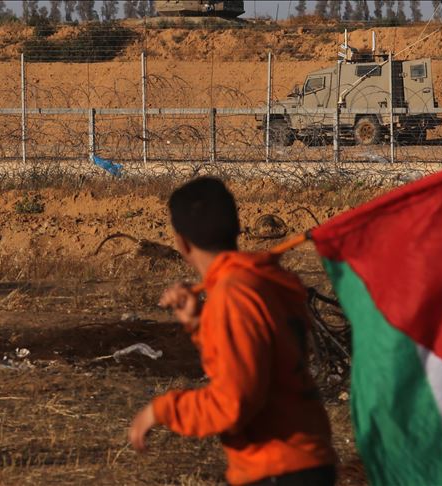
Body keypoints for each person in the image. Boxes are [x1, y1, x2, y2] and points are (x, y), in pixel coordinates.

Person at [129, 177, 337, 486]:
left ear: (182, 243)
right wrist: (199, 322)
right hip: (303, 460)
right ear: (237, 227)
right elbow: (247, 359)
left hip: (276, 467)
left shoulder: (234, 295)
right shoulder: (260, 279)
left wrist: (162, 410)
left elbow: (234, 403)